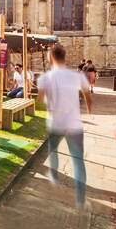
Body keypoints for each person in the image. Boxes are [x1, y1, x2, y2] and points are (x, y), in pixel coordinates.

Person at [38, 44, 92, 210]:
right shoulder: (76, 76)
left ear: (51, 57)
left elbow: (40, 100)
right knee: (78, 161)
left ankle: (54, 175)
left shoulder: (45, 77)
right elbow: (87, 95)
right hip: (74, 125)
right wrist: (89, 111)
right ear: (65, 57)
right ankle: (81, 200)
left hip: (55, 123)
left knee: (53, 150)